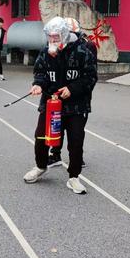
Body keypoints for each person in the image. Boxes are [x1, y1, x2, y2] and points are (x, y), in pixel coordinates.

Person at [23, 17, 98, 195]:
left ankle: (74, 177)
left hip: (76, 106)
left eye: (56, 37)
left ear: (64, 34)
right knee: (41, 137)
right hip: (51, 104)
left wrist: (72, 89)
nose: (52, 40)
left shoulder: (82, 51)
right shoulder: (45, 53)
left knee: (76, 141)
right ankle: (41, 166)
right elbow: (40, 73)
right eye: (50, 37)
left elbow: (91, 77)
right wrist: (38, 84)